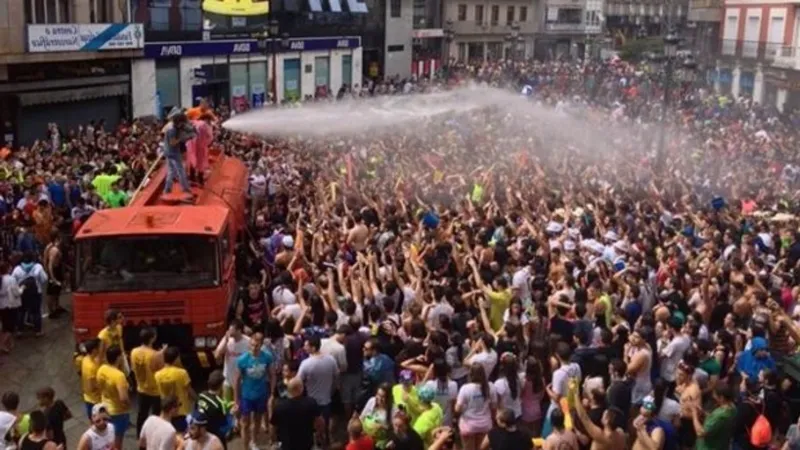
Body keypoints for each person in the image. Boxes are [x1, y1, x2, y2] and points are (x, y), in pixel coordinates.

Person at [234, 332, 274, 450]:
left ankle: (254, 441)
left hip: (261, 394)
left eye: (256, 345)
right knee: (245, 423)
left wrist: (271, 393)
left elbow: (272, 375)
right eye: (251, 345)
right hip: (246, 396)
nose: (254, 348)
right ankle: (245, 446)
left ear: (261, 345)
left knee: (257, 421)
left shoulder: (267, 357)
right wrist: (236, 399)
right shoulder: (242, 360)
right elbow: (237, 381)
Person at [297, 335, 338, 440]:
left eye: (306, 346)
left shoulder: (306, 364)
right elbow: (336, 377)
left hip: (311, 402)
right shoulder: (331, 360)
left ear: (313, 348)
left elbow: (298, 381)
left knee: (311, 428)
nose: (304, 348)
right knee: (325, 426)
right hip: (326, 400)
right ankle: (325, 442)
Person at [270, 377, 322, 450]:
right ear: (301, 389)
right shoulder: (311, 403)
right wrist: (318, 434)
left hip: (286, 445)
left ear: (288, 390)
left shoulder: (280, 407)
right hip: (307, 445)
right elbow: (319, 422)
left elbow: (273, 427)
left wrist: (274, 442)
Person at [130, 328, 164, 436]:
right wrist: (162, 353)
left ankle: (140, 434)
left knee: (142, 414)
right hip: (155, 391)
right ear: (152, 338)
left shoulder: (134, 351)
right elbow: (161, 370)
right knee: (156, 415)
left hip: (141, 388)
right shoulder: (155, 355)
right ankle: (153, 435)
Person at [95, 345, 129, 450]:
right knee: (118, 442)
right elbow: (123, 398)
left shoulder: (101, 369)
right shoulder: (119, 376)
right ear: (118, 358)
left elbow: (98, 386)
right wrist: (128, 404)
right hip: (118, 412)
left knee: (108, 440)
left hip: (105, 409)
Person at [455, 365, 497, 450]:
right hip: (485, 425)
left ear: (470, 374)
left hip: (468, 426)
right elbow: (494, 407)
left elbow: (457, 409)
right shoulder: (491, 387)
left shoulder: (465, 388)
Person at [154, 347, 194, 433]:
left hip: (166, 411)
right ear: (176, 358)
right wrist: (197, 400)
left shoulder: (157, 375)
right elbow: (189, 391)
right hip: (181, 411)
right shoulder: (182, 373)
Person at [212, 320, 250, 402]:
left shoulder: (248, 342)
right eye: (229, 329)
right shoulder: (227, 340)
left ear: (239, 330)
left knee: (239, 405)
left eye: (231, 330)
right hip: (228, 379)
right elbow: (217, 355)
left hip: (242, 381)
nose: (229, 332)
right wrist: (226, 340)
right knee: (227, 405)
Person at [11, 252, 47, 336]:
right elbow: (44, 279)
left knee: (21, 311)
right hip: (35, 293)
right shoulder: (38, 267)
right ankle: (38, 331)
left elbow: (13, 281)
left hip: (22, 293)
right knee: (36, 312)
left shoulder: (17, 268)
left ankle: (20, 331)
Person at [692, 383, 737, 450]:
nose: (713, 396)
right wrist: (703, 413)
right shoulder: (733, 408)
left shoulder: (720, 415)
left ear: (721, 398)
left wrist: (694, 416)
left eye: (715, 394)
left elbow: (701, 433)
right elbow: (716, 423)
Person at [196, 371, 231, 448]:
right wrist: (231, 414)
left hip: (201, 434)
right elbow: (225, 425)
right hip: (216, 436)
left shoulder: (201, 395)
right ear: (220, 385)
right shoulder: (219, 403)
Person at [42, 232, 66, 318]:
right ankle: (51, 311)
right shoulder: (54, 250)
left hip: (56, 270)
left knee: (56, 291)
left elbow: (44, 259)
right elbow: (50, 264)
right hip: (54, 271)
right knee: (51, 292)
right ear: (57, 238)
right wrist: (52, 277)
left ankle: (56, 307)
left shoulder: (49, 247)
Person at [0, 261, 21, 353]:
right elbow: (16, 293)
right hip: (10, 305)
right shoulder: (11, 279)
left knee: (5, 326)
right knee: (10, 326)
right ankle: (3, 343)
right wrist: (22, 289)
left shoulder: (1, 279)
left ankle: (8, 343)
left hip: (2, 305)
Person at [80, 339, 103, 419]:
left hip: (88, 397)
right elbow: (92, 387)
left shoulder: (85, 359)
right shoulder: (91, 367)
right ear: (94, 350)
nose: (101, 349)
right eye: (99, 347)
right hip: (95, 400)